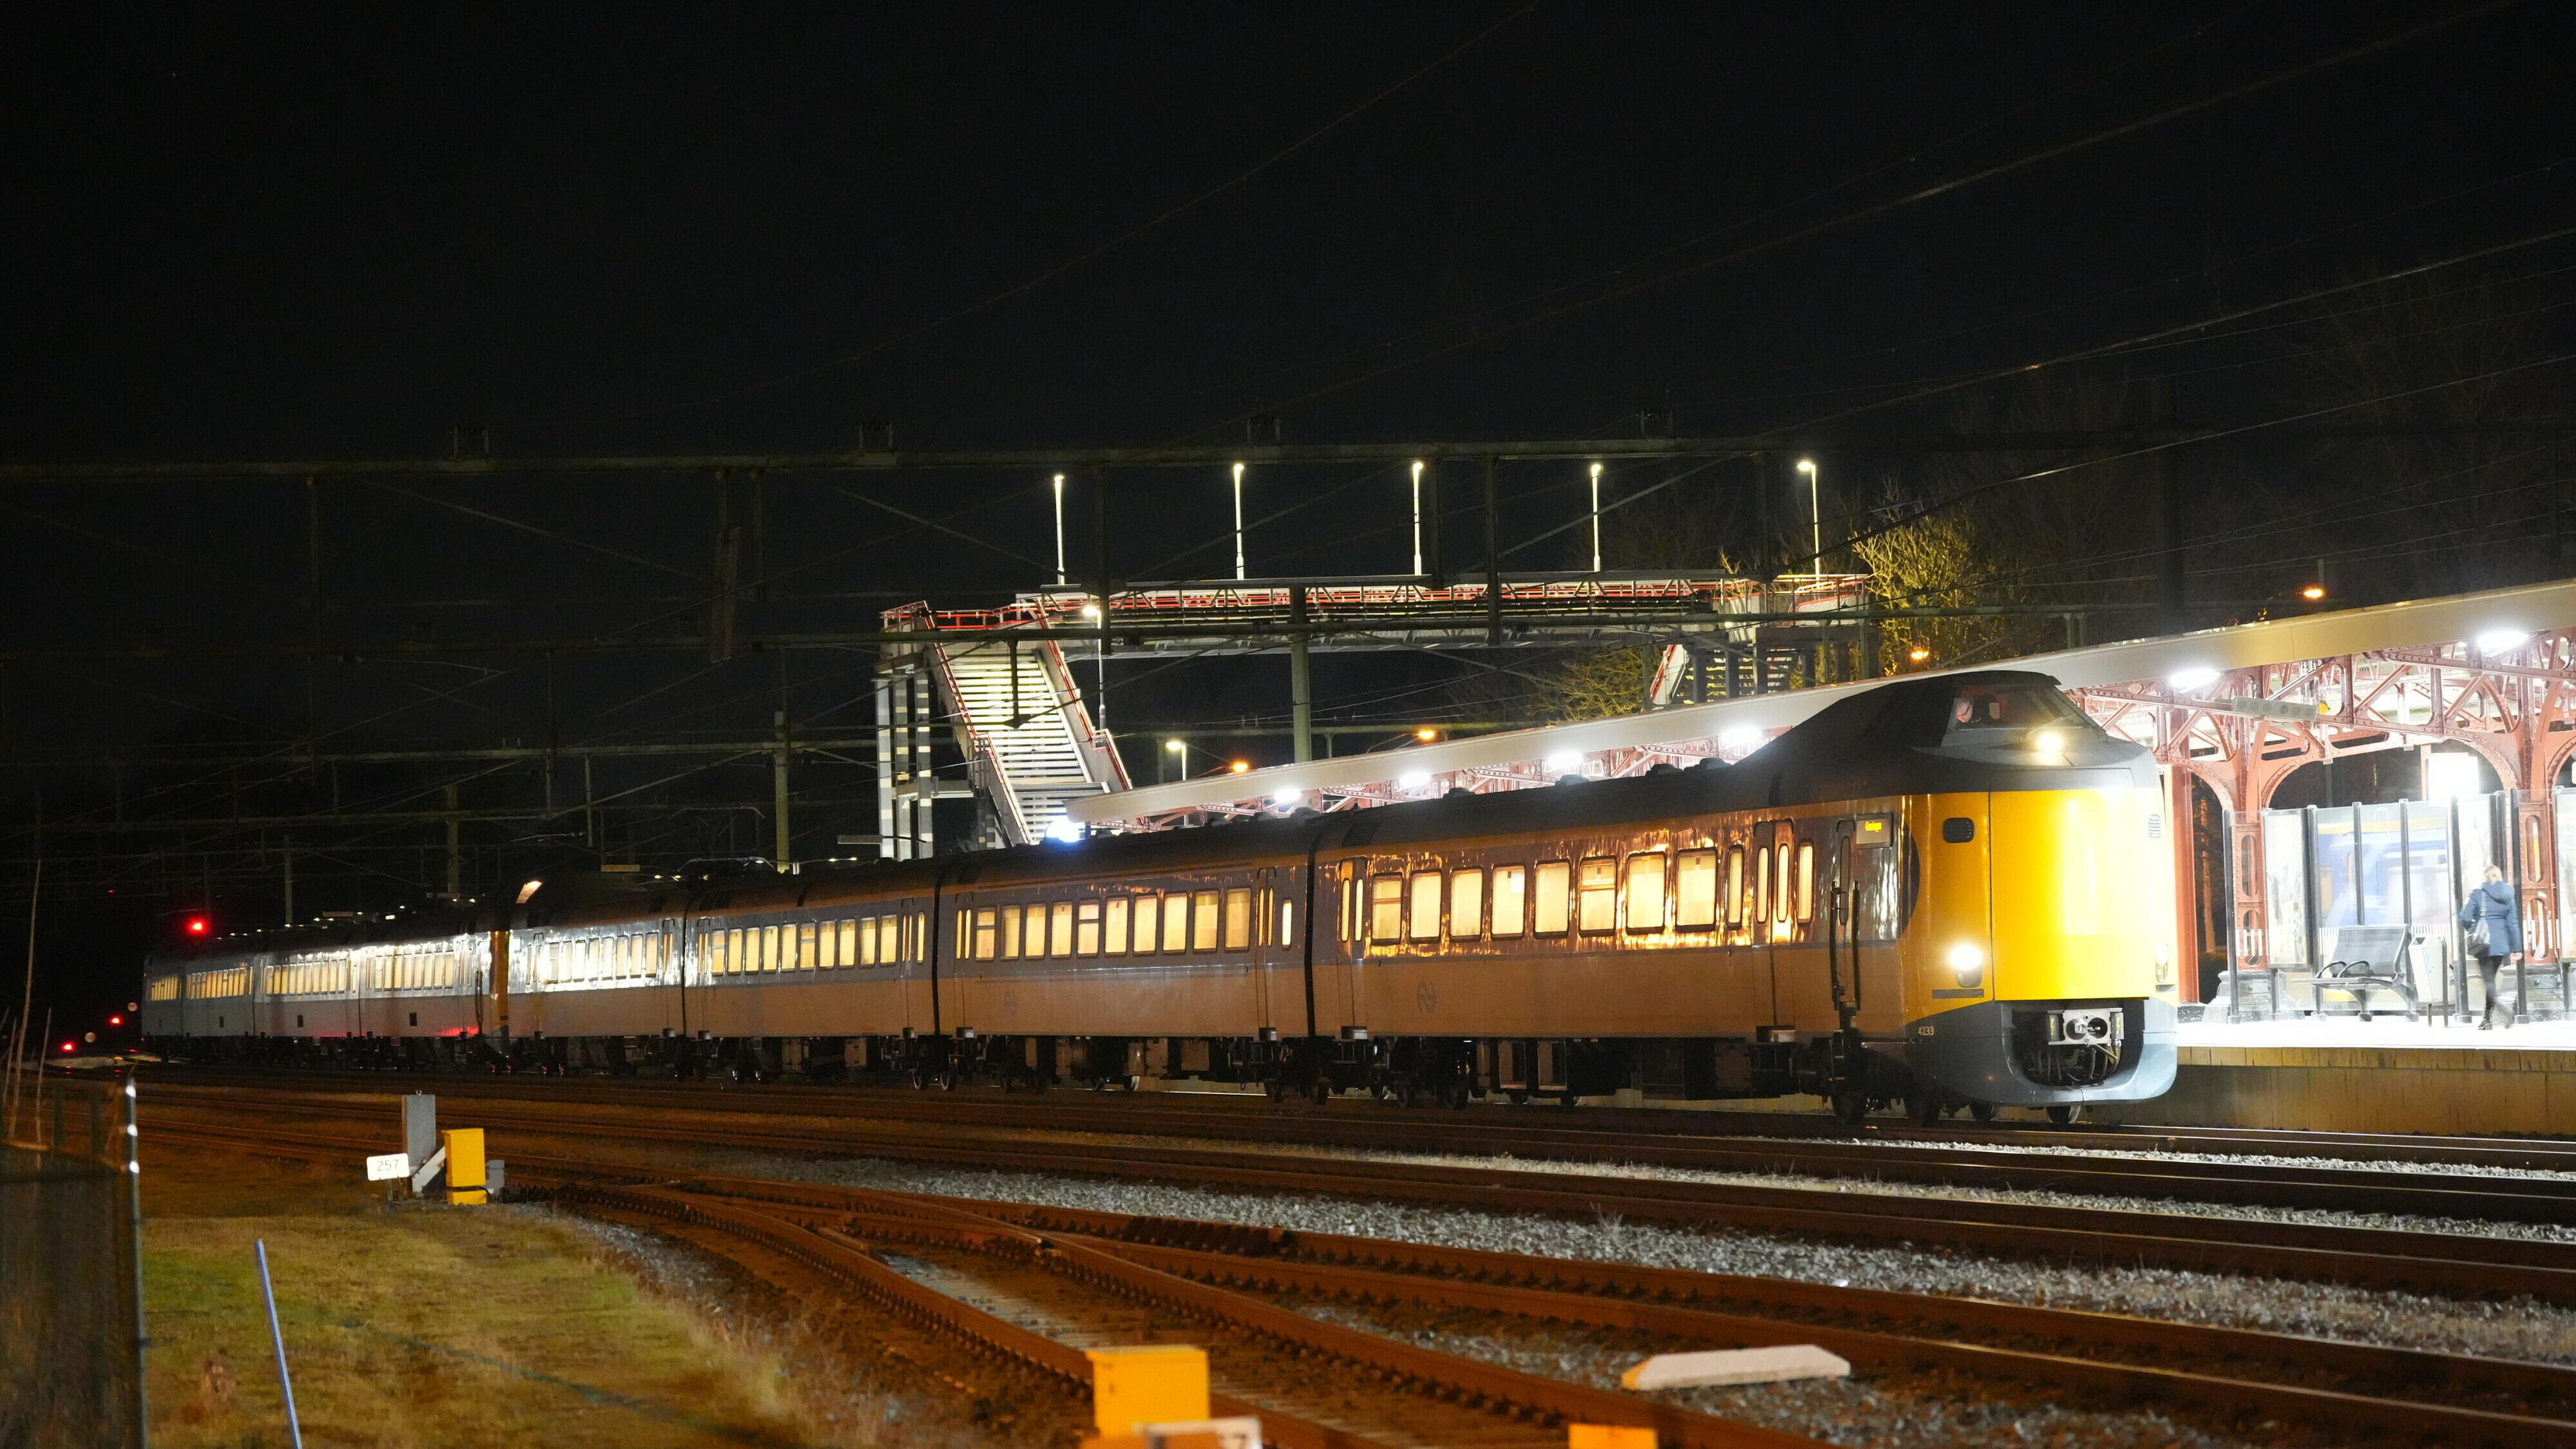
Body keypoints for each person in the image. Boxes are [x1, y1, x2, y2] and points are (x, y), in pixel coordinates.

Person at [2458, 865, 2524, 1030]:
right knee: (2491, 981)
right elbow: (2513, 923)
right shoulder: (2508, 895)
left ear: (2485, 877)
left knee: (2488, 981)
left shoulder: (2478, 894)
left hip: (2483, 944)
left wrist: (2472, 929)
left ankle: (2502, 1008)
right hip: (2501, 943)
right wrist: (2517, 948)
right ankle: (2486, 1019)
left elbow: (2465, 917)